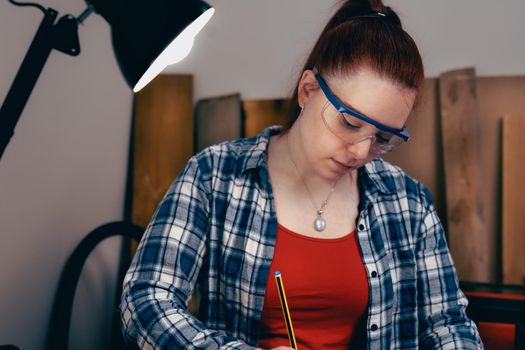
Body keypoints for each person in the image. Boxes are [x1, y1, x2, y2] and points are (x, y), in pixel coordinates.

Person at [119, 0, 484, 349]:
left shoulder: (409, 203)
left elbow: (447, 324)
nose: (361, 152)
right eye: (350, 122)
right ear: (308, 90)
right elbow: (145, 301)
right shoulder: (214, 176)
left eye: (383, 138)